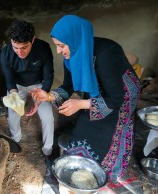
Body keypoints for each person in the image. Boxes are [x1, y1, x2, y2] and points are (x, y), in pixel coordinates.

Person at [31, 15, 140, 181]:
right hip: (96, 89)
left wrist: (81, 103)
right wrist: (49, 95)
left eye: (61, 46)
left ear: (74, 40)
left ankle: (110, 169)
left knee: (112, 130)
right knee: (85, 124)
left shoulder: (105, 55)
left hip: (122, 93)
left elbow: (115, 99)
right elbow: (68, 86)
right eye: (57, 46)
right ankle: (82, 161)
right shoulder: (72, 54)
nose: (59, 51)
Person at [0, 20, 55, 157]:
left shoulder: (43, 48)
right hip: (17, 86)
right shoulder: (6, 53)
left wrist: (41, 97)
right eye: (15, 47)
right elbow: (9, 79)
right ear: (11, 42)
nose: (20, 52)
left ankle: (48, 150)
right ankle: (16, 139)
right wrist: (14, 96)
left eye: (24, 47)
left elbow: (48, 76)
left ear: (33, 40)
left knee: (47, 115)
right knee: (13, 112)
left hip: (38, 85)